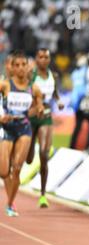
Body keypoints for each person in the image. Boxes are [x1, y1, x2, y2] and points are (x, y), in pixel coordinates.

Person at [0, 50, 44, 216]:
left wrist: (39, 109)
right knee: (4, 171)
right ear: (12, 67)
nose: (20, 68)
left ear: (28, 67)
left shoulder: (34, 88)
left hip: (24, 128)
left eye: (23, 65)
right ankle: (10, 199)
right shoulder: (5, 85)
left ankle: (10, 204)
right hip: (7, 128)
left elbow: (38, 106)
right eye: (16, 65)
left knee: (17, 167)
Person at [26, 48, 64, 208]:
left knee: (43, 153)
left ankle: (42, 195)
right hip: (31, 116)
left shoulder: (53, 76)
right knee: (28, 159)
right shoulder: (31, 75)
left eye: (46, 57)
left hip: (46, 116)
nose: (43, 60)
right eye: (40, 57)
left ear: (49, 59)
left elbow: (55, 93)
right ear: (36, 59)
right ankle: (29, 150)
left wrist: (59, 100)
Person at [69, 54, 89, 150]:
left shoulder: (75, 72)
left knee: (78, 126)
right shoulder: (88, 70)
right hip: (86, 101)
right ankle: (88, 148)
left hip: (76, 102)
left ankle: (71, 147)